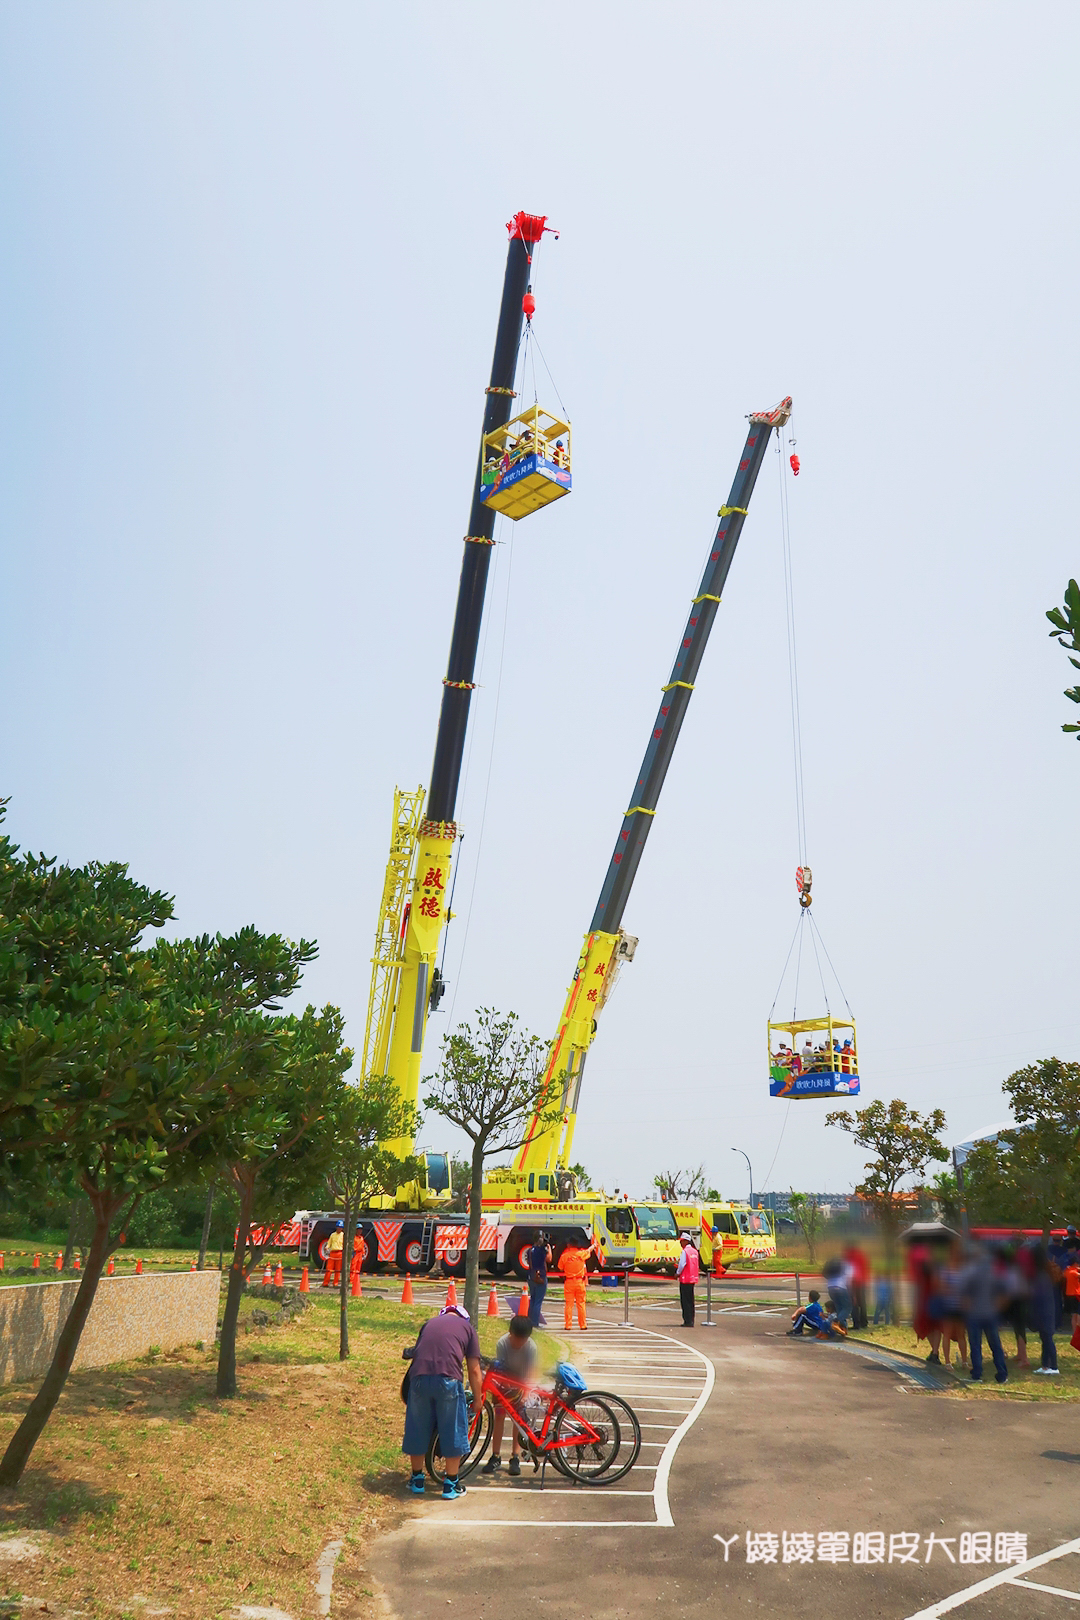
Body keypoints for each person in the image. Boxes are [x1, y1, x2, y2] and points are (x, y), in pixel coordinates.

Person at [402, 1303, 484, 1500]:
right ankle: (451, 1484)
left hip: (419, 1379)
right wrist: (478, 1398)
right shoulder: (468, 1329)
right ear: (463, 1318)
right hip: (448, 1380)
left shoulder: (428, 1324)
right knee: (453, 1428)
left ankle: (417, 1479)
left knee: (418, 1427)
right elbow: (474, 1369)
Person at [481, 1315, 538, 1478]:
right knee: (499, 1416)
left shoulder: (531, 1348)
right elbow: (501, 1368)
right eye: (516, 1339)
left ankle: (515, 1456)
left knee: (517, 1420)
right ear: (510, 1333)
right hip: (503, 1382)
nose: (519, 1343)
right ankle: (496, 1455)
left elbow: (530, 1373)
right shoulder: (503, 1343)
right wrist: (505, 1388)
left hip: (521, 1383)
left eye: (523, 1340)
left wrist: (525, 1394)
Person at [960, 1243, 1008, 1384]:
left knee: (975, 1345)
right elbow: (1003, 1295)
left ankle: (977, 1374)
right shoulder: (995, 1274)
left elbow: (965, 1297)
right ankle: (1002, 1374)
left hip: (974, 1314)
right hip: (990, 1314)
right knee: (995, 1345)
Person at [1030, 1245, 1061, 1375]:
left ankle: (1053, 1366)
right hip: (1048, 1308)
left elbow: (1038, 1295)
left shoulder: (1041, 1274)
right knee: (1045, 1338)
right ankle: (1045, 1365)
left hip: (1044, 1310)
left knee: (1047, 1339)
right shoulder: (1046, 1271)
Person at [558, 1237, 589, 1331]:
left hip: (569, 1282)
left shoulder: (564, 1256)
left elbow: (560, 1267)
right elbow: (588, 1252)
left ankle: (568, 1325)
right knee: (581, 1304)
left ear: (569, 1245)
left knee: (569, 1304)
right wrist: (593, 1246)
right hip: (580, 1282)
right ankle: (583, 1325)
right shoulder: (582, 1254)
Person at [527, 1233, 552, 1327]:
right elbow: (549, 1259)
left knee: (533, 1299)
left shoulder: (530, 1250)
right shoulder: (542, 1250)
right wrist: (549, 1249)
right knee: (538, 1301)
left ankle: (529, 1320)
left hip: (531, 1276)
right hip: (540, 1276)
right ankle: (535, 1323)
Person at [843, 1243, 869, 1330]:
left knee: (854, 1303)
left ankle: (856, 1323)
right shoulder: (861, 1255)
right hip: (862, 1281)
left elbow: (847, 1270)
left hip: (853, 1281)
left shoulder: (848, 1256)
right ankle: (864, 1322)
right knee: (862, 1303)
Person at [676, 1233, 700, 1327]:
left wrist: (677, 1273)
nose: (680, 1243)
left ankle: (687, 1320)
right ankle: (691, 1320)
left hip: (685, 1279)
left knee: (685, 1301)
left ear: (686, 1241)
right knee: (691, 1301)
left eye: (681, 1241)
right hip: (692, 1278)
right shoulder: (694, 1251)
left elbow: (682, 1265)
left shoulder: (685, 1252)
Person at [324, 1221, 344, 1288]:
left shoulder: (343, 1235)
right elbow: (329, 1243)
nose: (339, 1229)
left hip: (340, 1253)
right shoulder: (332, 1235)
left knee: (337, 1270)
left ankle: (335, 1283)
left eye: (340, 1227)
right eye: (338, 1227)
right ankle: (326, 1282)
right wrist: (326, 1247)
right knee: (329, 1269)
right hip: (332, 1253)